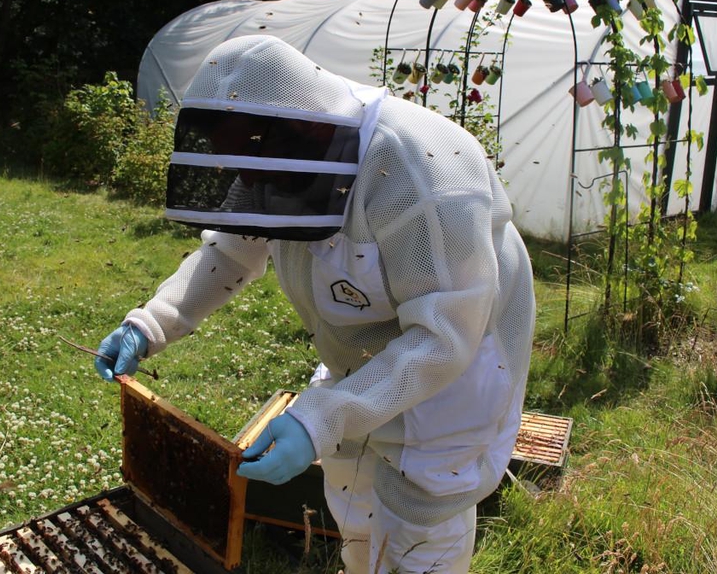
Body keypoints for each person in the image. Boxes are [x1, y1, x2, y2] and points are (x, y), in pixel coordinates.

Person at [94, 35, 536, 574]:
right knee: (351, 489)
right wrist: (150, 324)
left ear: (301, 127)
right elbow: (231, 253)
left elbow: (445, 338)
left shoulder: (426, 174)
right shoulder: (276, 150)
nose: (247, 180)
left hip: (460, 352)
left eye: (251, 159)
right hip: (361, 350)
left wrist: (321, 417)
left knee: (423, 521)